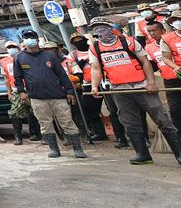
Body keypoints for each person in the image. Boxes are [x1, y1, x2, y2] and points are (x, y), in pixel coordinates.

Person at [88, 16, 181, 165]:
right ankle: (142, 154)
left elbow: (145, 62)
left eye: (102, 27)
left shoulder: (129, 41)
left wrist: (151, 82)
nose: (99, 30)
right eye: (95, 28)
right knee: (130, 123)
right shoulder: (95, 48)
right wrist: (94, 86)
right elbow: (96, 68)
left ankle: (179, 154)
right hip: (119, 91)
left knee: (162, 120)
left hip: (142, 87)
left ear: (111, 28)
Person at [13, 39, 84, 158]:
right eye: (27, 37)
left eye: (32, 37)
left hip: (57, 96)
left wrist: (69, 91)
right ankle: (54, 149)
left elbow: (62, 74)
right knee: (45, 124)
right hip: (37, 97)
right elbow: (18, 77)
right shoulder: (19, 58)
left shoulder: (49, 56)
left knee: (67, 121)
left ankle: (78, 149)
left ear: (36, 40)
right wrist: (21, 91)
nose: (30, 39)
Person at [66, 33, 109, 142]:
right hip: (88, 84)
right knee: (91, 110)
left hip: (105, 82)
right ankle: (99, 132)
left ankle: (121, 134)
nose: (78, 43)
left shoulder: (94, 49)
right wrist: (82, 61)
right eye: (75, 41)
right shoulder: (73, 55)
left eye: (80, 40)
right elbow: (74, 69)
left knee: (113, 109)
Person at [145, 20, 181, 127]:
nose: (152, 34)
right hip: (170, 81)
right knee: (175, 110)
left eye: (154, 30)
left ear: (163, 30)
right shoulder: (149, 48)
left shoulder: (173, 40)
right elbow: (152, 67)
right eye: (149, 31)